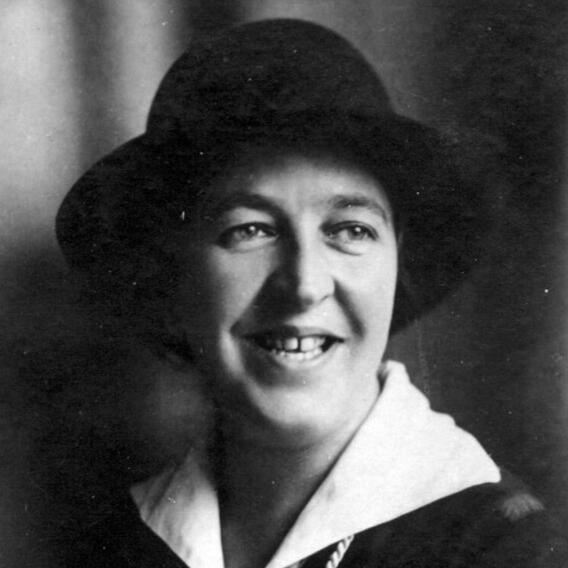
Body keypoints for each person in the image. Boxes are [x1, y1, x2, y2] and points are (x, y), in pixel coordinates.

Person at [55, 18, 567, 568]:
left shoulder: (500, 548)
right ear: (175, 271)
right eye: (251, 230)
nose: (304, 285)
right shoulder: (117, 544)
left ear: (396, 259)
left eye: (351, 231)